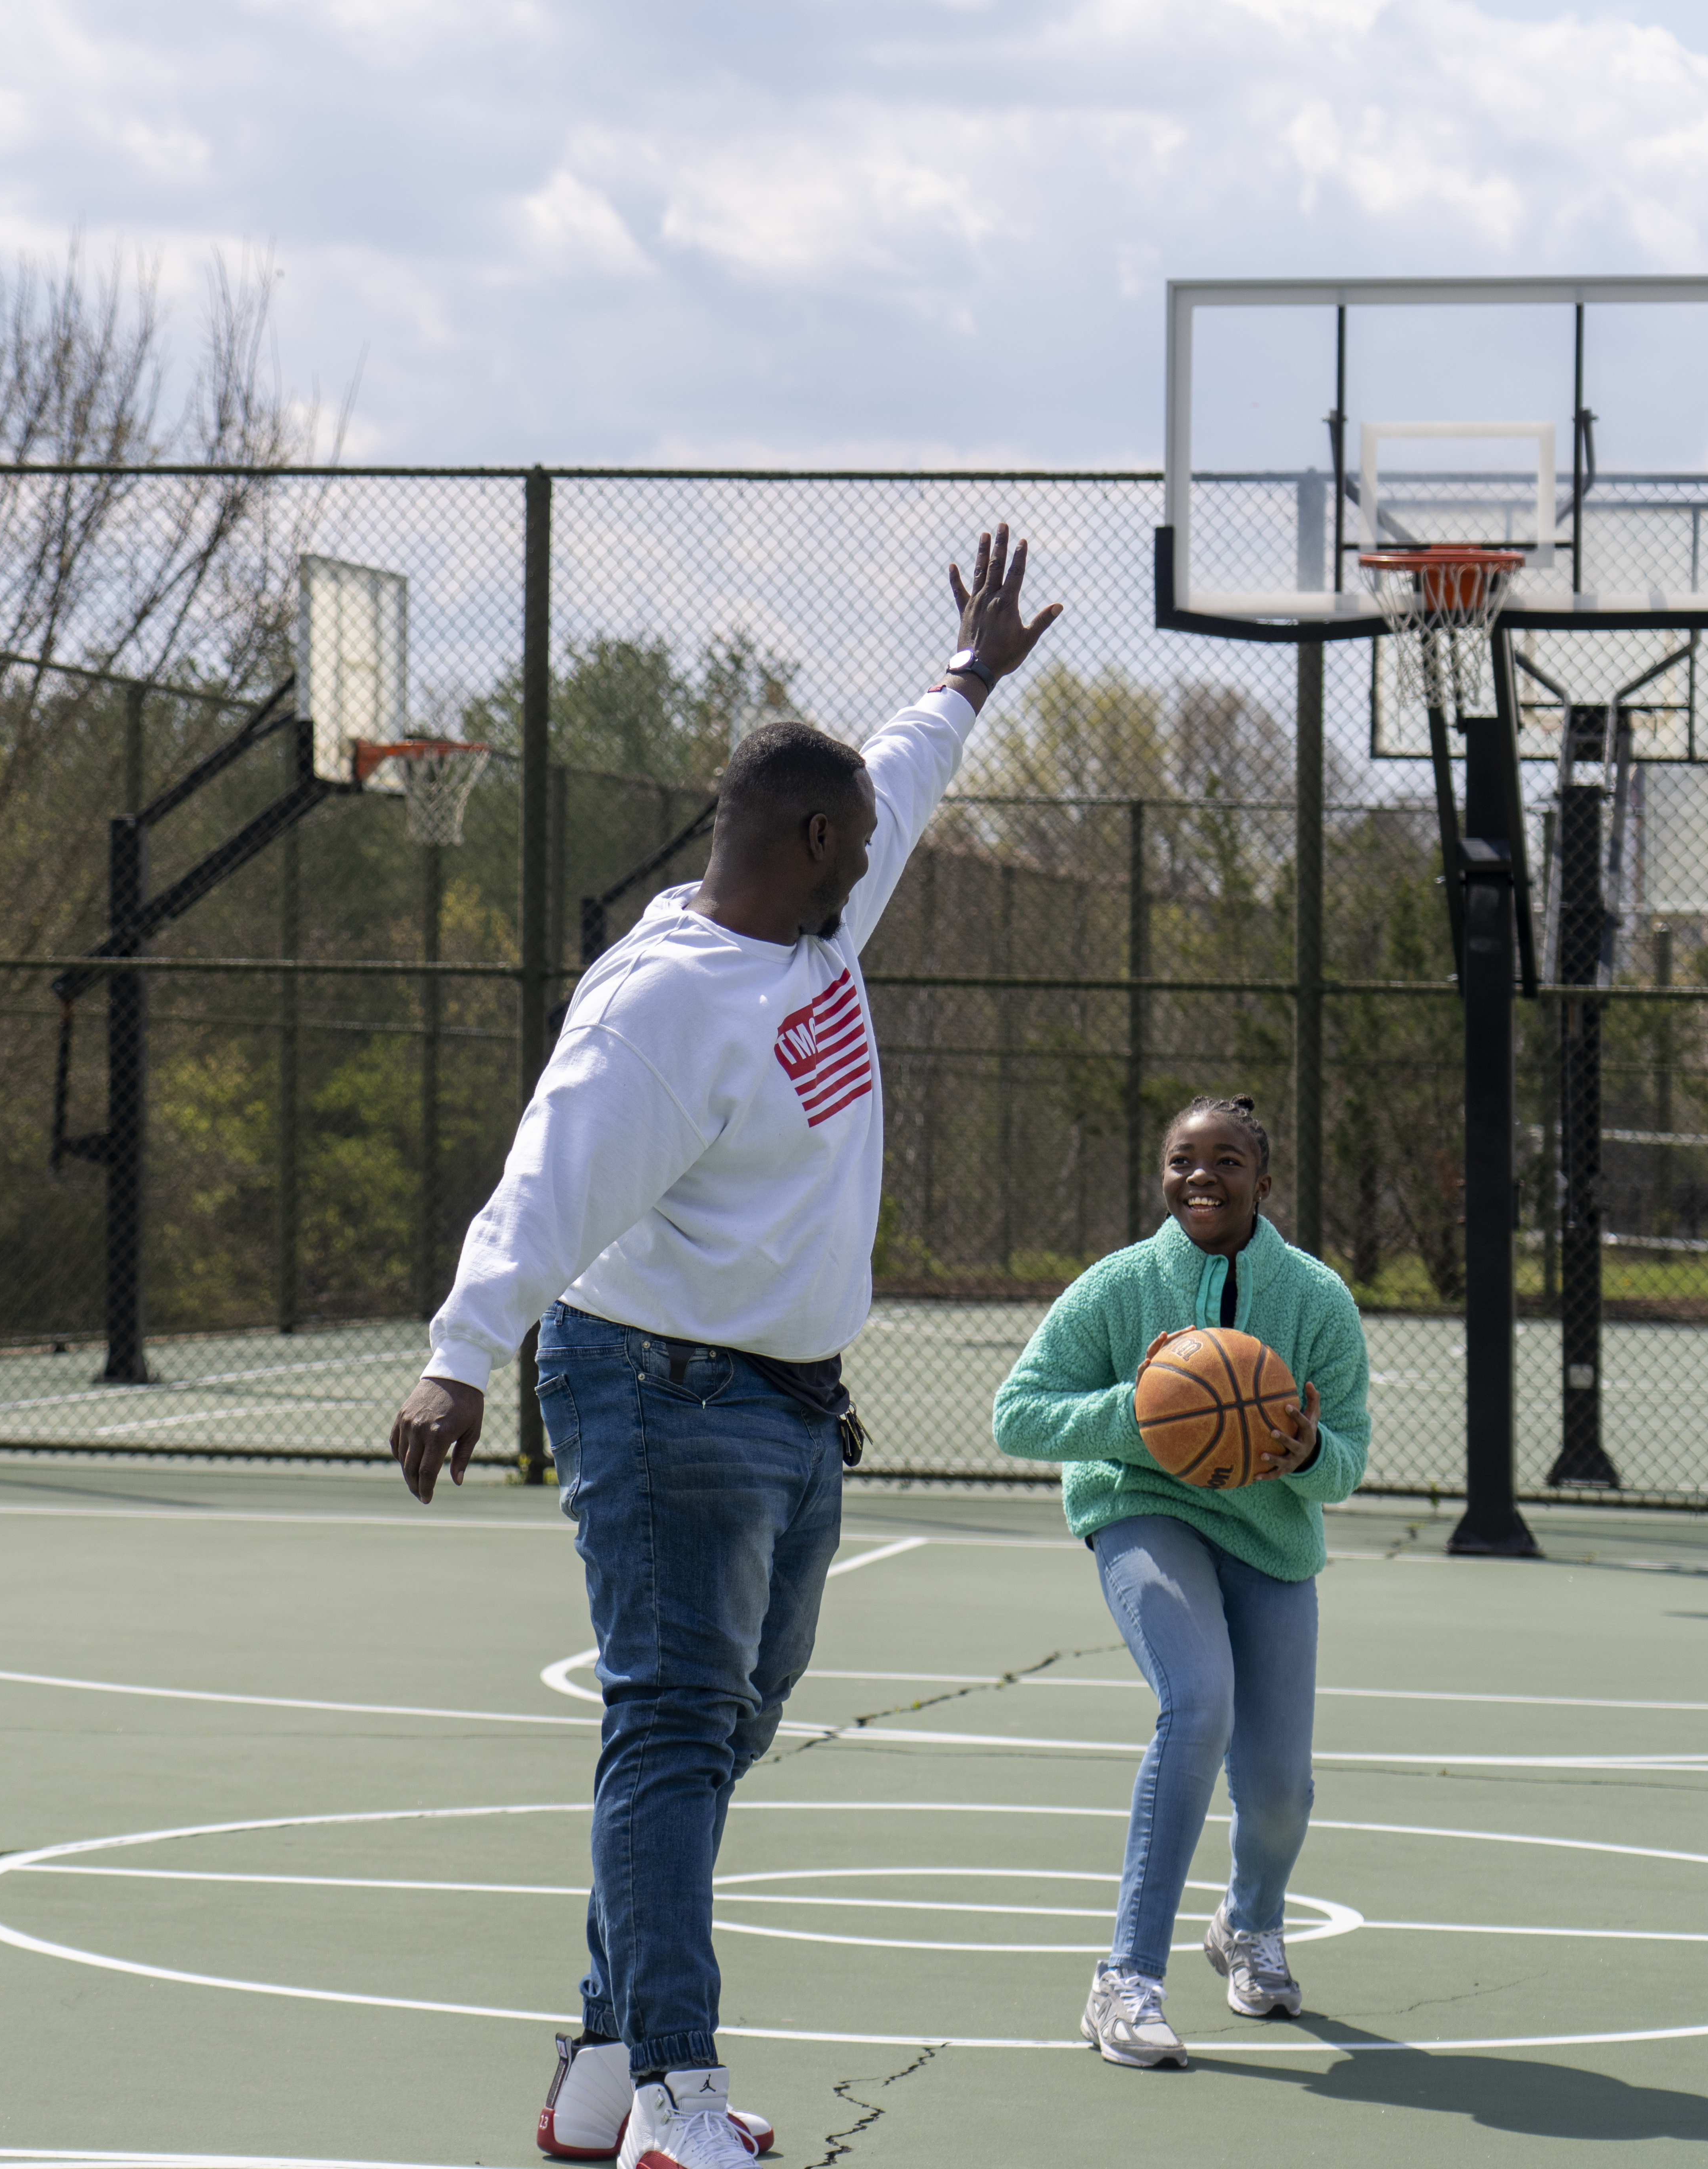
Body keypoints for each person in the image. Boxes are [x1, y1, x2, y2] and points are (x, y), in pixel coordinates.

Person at [388, 527, 1060, 2168]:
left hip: (785, 1404)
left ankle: (605, 2065)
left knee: (728, 1720)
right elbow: (548, 1176)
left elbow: (894, 765)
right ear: (808, 841)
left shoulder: (817, 916)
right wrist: (461, 1349)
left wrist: (966, 677)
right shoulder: (665, 1005)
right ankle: (680, 2108)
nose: (877, 852)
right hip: (660, 1389)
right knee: (679, 1725)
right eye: (858, 842)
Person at [989, 1093, 1370, 2068]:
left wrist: (1302, 1448)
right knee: (1197, 1704)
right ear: (1163, 1177)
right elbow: (1018, 1415)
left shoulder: (1317, 1300)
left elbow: (1349, 1463)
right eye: (1182, 1160)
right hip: (1141, 1510)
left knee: (1281, 1791)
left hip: (1271, 1539)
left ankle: (1247, 1926)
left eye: (1228, 1160)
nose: (1203, 1175)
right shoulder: (1119, 1288)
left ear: (1264, 1180)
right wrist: (1145, 1411)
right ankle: (1126, 1982)